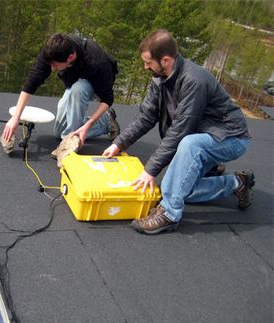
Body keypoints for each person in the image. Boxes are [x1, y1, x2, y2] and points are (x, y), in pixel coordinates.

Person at [103, 29, 254, 235]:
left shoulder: (194, 80)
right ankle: (237, 183)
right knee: (180, 189)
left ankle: (169, 215)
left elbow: (181, 129)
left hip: (231, 137)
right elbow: (146, 117)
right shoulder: (160, 78)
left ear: (165, 60)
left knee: (189, 146)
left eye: (148, 62)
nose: (145, 66)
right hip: (203, 134)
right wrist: (118, 143)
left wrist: (150, 171)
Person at [1, 33, 119, 162]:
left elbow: (107, 99)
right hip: (74, 79)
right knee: (59, 132)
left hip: (96, 84)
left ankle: (71, 144)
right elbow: (32, 81)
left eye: (56, 65)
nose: (52, 69)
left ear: (71, 57)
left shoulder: (96, 62)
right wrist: (15, 118)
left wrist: (88, 124)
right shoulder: (53, 51)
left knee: (78, 90)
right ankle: (106, 122)